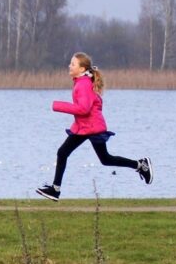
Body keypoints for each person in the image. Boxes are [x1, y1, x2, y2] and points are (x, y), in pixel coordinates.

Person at [36, 52, 152, 201]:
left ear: (82, 68)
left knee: (65, 153)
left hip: (91, 127)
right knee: (101, 158)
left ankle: (55, 190)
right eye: (70, 63)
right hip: (84, 127)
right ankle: (140, 165)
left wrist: (57, 105)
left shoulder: (83, 84)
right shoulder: (81, 82)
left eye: (73, 64)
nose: (69, 66)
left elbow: (83, 109)